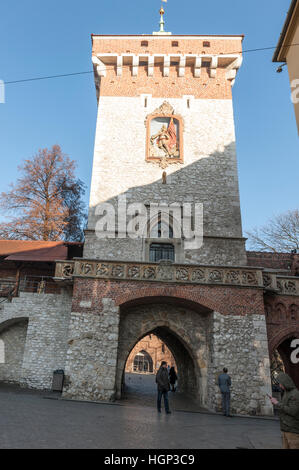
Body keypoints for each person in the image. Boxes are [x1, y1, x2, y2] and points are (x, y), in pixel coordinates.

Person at [268, 372, 299, 449]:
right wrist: (276, 401)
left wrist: (277, 403)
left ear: (285, 383)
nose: (279, 385)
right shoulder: (286, 393)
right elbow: (284, 405)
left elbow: (293, 411)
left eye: (280, 383)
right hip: (285, 429)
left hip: (293, 431)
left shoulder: (295, 394)